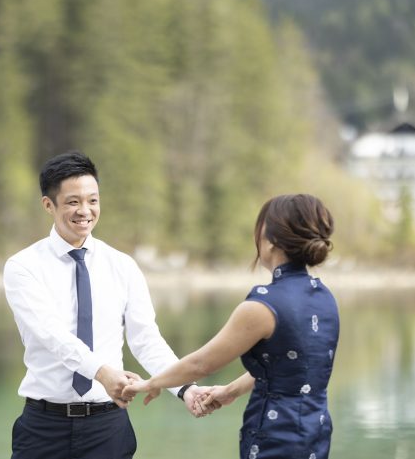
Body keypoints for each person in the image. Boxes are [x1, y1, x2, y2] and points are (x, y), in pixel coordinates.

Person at [3, 151, 203, 459]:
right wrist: (102, 372)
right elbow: (51, 334)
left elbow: (146, 340)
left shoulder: (122, 266)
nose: (85, 211)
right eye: (73, 202)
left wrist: (185, 389)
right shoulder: (23, 267)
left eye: (92, 200)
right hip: (44, 428)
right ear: (48, 205)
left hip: (108, 428)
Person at [124, 194, 339, 459]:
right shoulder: (324, 297)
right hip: (315, 433)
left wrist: (150, 383)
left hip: (276, 437)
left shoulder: (263, 305)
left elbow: (201, 364)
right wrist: (229, 391)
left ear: (271, 241)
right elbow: (287, 368)